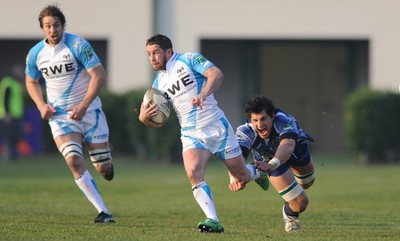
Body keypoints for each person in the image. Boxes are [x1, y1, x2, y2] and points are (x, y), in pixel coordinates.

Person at [139, 34, 269, 233]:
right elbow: (158, 122)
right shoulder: (158, 84)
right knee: (193, 173)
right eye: (148, 54)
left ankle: (257, 172)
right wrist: (143, 117)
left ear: (168, 51)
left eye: (155, 52)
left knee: (240, 175)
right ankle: (213, 220)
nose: (152, 58)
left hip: (216, 127)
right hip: (191, 134)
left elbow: (216, 74)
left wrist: (203, 94)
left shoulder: (189, 59)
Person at [25, 4, 115, 223]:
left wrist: (84, 105)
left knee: (104, 169)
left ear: (62, 25)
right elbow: (31, 80)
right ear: (42, 28)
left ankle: (107, 164)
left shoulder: (78, 44)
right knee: (74, 161)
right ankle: (103, 212)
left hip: (90, 112)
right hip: (61, 117)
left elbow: (99, 75)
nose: (52, 30)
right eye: (47, 26)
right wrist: (41, 105)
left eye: (56, 25)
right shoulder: (36, 53)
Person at [236, 95, 316, 232]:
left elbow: (288, 145)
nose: (259, 125)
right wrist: (235, 177)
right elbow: (236, 158)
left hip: (295, 152)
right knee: (300, 203)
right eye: (255, 120)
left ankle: (262, 172)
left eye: (263, 119)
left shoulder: (284, 120)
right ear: (250, 119)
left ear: (272, 116)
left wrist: (273, 164)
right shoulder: (245, 131)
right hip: (267, 159)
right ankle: (290, 215)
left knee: (307, 183)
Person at [0, 75, 24, 161]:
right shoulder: (9, 83)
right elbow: (5, 99)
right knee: (9, 136)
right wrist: (7, 112)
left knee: (15, 136)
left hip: (16, 114)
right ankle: (8, 155)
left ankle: (11, 155)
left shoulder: (14, 83)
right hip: (9, 115)